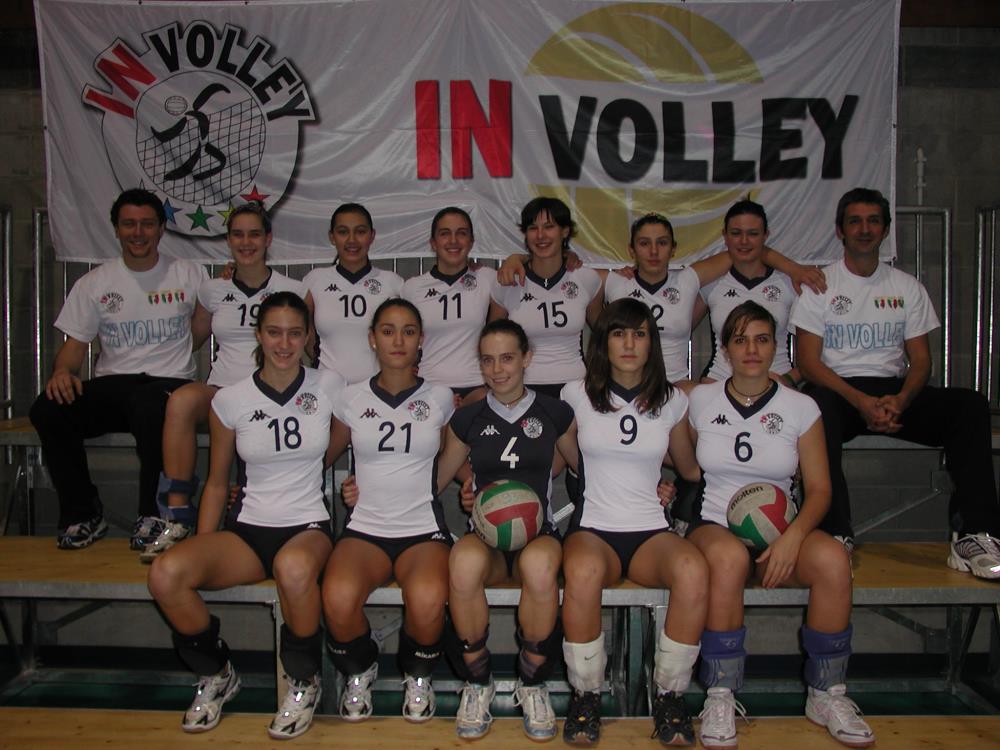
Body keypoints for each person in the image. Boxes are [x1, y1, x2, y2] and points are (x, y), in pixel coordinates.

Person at [147, 291, 342, 739]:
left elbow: (347, 436)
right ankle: (217, 673)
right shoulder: (230, 399)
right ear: (258, 334)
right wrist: (204, 541)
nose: (284, 343)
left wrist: (319, 468)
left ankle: (303, 681)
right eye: (274, 332)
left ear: (307, 337)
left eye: (295, 333)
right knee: (166, 574)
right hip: (249, 530)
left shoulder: (329, 385)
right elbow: (217, 482)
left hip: (307, 525)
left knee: (293, 569)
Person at [687, 301, 873, 749]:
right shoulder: (700, 400)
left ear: (776, 346)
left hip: (780, 530)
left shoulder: (801, 407)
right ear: (725, 349)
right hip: (714, 524)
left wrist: (793, 539)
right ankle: (720, 694)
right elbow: (685, 465)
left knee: (833, 559)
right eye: (740, 340)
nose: (751, 349)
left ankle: (826, 694)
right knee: (729, 560)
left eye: (762, 339)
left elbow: (821, 490)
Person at [790, 187, 1000, 575]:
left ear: (885, 230)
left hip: (892, 391)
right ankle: (835, 536)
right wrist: (860, 401)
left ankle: (974, 533)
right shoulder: (821, 286)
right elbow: (808, 362)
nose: (864, 229)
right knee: (813, 407)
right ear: (840, 230)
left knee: (969, 405)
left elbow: (921, 361)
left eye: (873, 221)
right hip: (839, 391)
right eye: (855, 221)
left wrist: (900, 400)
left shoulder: (906, 287)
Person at [557, 298, 708, 746]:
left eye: (639, 334)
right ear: (603, 341)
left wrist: (672, 485)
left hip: (649, 532)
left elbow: (689, 468)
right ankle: (586, 695)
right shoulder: (575, 394)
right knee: (582, 571)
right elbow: (566, 453)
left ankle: (669, 696)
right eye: (619, 333)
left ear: (651, 343)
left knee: (693, 569)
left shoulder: (672, 400)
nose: (629, 343)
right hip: (594, 528)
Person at [29, 188, 209, 550]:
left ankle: (153, 515)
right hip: (115, 386)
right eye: (129, 224)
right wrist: (62, 372)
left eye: (147, 224)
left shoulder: (190, 273)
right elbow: (73, 349)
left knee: (151, 405)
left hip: (168, 384)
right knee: (48, 408)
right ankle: (82, 513)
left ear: (161, 229)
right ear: (116, 229)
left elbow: (200, 331)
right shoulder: (94, 283)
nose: (138, 233)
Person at [435, 319, 577, 740]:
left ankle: (532, 684)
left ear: (527, 358)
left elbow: (585, 468)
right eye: (488, 360)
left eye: (508, 358)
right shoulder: (467, 418)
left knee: (539, 568)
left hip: (539, 534)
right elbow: (435, 479)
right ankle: (478, 682)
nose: (498, 370)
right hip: (487, 538)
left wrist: (654, 488)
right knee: (462, 564)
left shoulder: (555, 413)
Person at [143, 202, 307, 562]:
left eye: (254, 234)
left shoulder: (292, 289)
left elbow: (311, 348)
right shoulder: (212, 289)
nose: (246, 242)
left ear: (268, 239)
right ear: (229, 240)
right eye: (238, 234)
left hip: (270, 395)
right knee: (181, 400)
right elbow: (191, 341)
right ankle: (176, 515)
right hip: (221, 391)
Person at [322, 298, 455, 723]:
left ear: (421, 340)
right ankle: (361, 670)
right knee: (337, 599)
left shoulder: (441, 398)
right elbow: (320, 457)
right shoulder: (349, 398)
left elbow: (458, 457)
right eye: (388, 330)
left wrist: (475, 489)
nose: (398, 340)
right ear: (372, 339)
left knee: (428, 599)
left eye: (409, 331)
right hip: (366, 528)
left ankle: (418, 676)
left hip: (423, 529)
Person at [491, 197, 603, 398]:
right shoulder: (507, 282)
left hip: (575, 389)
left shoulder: (587, 279)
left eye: (549, 227)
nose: (541, 235)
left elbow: (605, 333)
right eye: (533, 228)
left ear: (565, 231)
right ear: (525, 233)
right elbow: (491, 343)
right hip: (522, 390)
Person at [700, 200, 816, 387]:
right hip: (720, 384)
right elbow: (675, 331)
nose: (744, 241)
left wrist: (788, 380)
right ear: (725, 236)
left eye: (753, 233)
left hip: (777, 385)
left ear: (765, 235)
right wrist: (709, 389)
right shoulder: (710, 284)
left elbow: (815, 353)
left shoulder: (790, 283)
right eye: (736, 233)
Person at [402, 207, 504, 401]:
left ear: (471, 241)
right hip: (428, 388)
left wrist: (518, 258)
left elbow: (532, 268)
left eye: (462, 233)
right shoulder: (412, 288)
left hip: (478, 389)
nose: (453, 240)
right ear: (433, 243)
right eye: (445, 233)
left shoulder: (488, 279)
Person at [303, 203, 403, 384]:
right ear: (332, 237)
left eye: (360, 231)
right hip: (327, 389)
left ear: (372, 235)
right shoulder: (314, 280)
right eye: (343, 232)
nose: (352, 240)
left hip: (379, 391)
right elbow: (299, 328)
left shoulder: (393, 282)